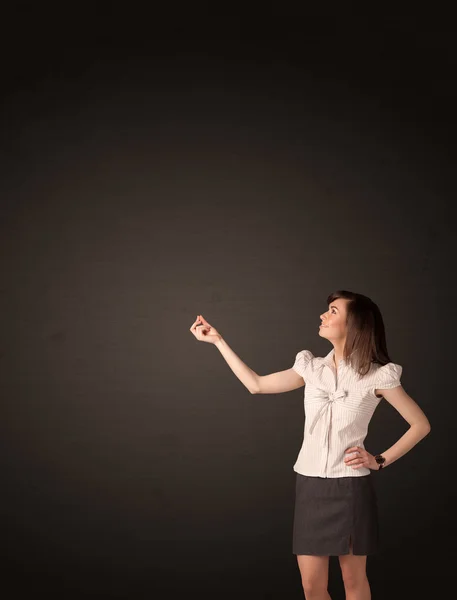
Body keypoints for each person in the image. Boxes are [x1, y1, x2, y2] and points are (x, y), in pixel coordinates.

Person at [189, 290, 431, 600]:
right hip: (311, 486)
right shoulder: (310, 367)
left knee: (353, 584)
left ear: (354, 323)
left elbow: (420, 425)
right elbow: (256, 385)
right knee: (312, 588)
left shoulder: (378, 376)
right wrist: (218, 341)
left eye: (332, 311)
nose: (323, 316)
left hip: (351, 489)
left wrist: (379, 459)